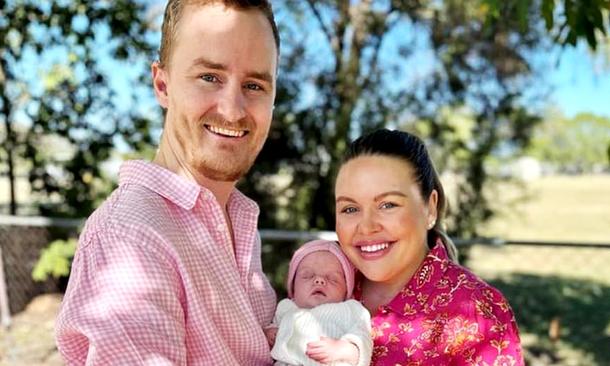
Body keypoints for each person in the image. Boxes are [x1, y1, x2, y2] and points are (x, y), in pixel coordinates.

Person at [55, 1, 281, 364]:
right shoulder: (132, 237)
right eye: (210, 77)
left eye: (254, 85)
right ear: (163, 85)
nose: (234, 109)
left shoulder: (236, 218)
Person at [334, 129, 524, 365]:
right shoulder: (320, 282)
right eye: (350, 209)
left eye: (388, 205)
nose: (366, 227)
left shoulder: (479, 313)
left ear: (430, 208)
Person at [267, 240, 372, 366]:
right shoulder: (285, 307)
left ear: (346, 290)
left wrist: (343, 350)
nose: (319, 280)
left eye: (333, 279)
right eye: (307, 276)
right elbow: (271, 330)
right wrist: (270, 334)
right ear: (293, 287)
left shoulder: (352, 309)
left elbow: (364, 340)